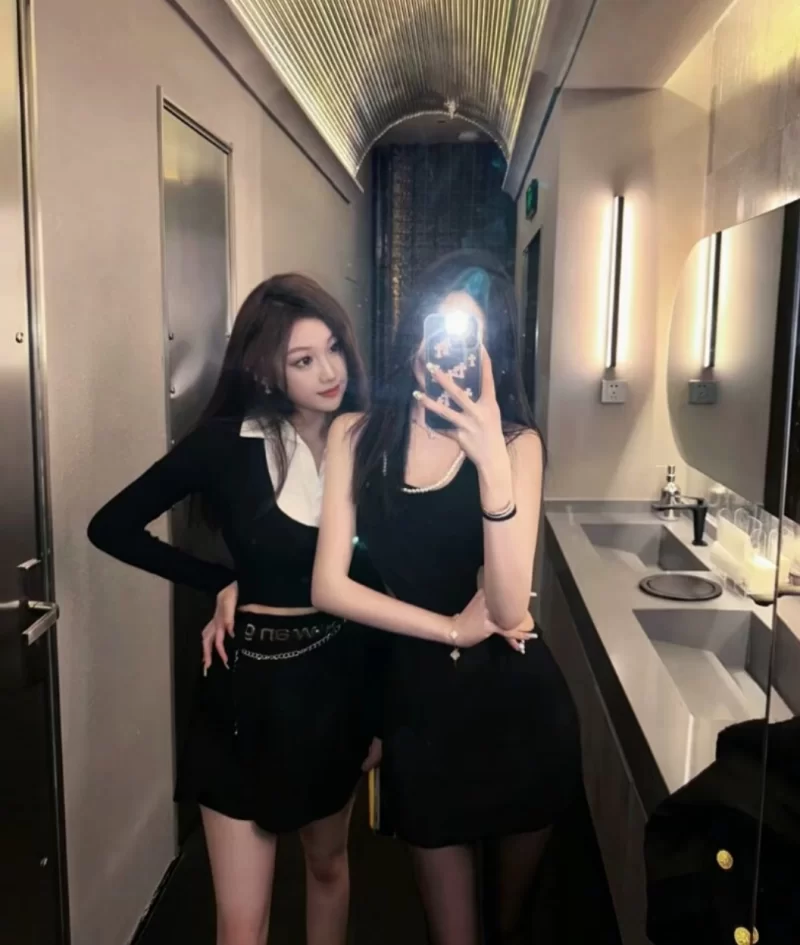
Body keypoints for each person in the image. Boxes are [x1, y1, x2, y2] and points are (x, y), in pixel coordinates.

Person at [88, 274, 395, 945]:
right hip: (242, 694)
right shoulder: (226, 444)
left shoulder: (370, 444)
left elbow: (384, 587)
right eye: (303, 359)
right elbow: (111, 527)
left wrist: (379, 714)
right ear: (265, 369)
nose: (330, 372)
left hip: (335, 691)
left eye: (335, 349)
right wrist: (225, 579)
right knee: (240, 922)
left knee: (328, 866)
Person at [310, 250, 582, 945]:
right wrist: (450, 629)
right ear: (416, 332)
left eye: (470, 339)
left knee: (511, 927)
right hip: (422, 714)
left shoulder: (516, 444)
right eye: (439, 328)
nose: (447, 352)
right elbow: (328, 585)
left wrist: (490, 463)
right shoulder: (354, 434)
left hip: (522, 714)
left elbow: (509, 608)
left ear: (491, 355)